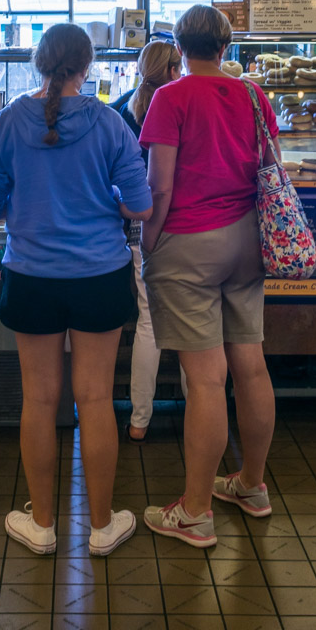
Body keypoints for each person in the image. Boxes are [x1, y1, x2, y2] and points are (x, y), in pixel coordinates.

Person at [0, 23, 152, 557]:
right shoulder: (110, 122)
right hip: (99, 274)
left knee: (39, 399)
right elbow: (140, 205)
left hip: (31, 275)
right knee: (96, 398)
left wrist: (30, 208)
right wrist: (105, 200)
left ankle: (43, 524)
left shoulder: (6, 122)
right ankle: (102, 526)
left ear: (38, 62)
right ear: (86, 66)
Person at [139, 4, 280, 548]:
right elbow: (272, 166)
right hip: (247, 241)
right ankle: (251, 484)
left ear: (179, 47)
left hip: (189, 246)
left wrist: (150, 245)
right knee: (251, 364)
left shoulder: (170, 98)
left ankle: (196, 511)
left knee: (204, 379)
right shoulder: (251, 94)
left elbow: (160, 187)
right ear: (227, 45)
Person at [110, 40, 185, 442]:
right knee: (196, 324)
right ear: (174, 68)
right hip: (185, 223)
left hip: (137, 227)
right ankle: (199, 417)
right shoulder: (180, 101)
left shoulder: (121, 108)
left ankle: (139, 421)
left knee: (148, 323)